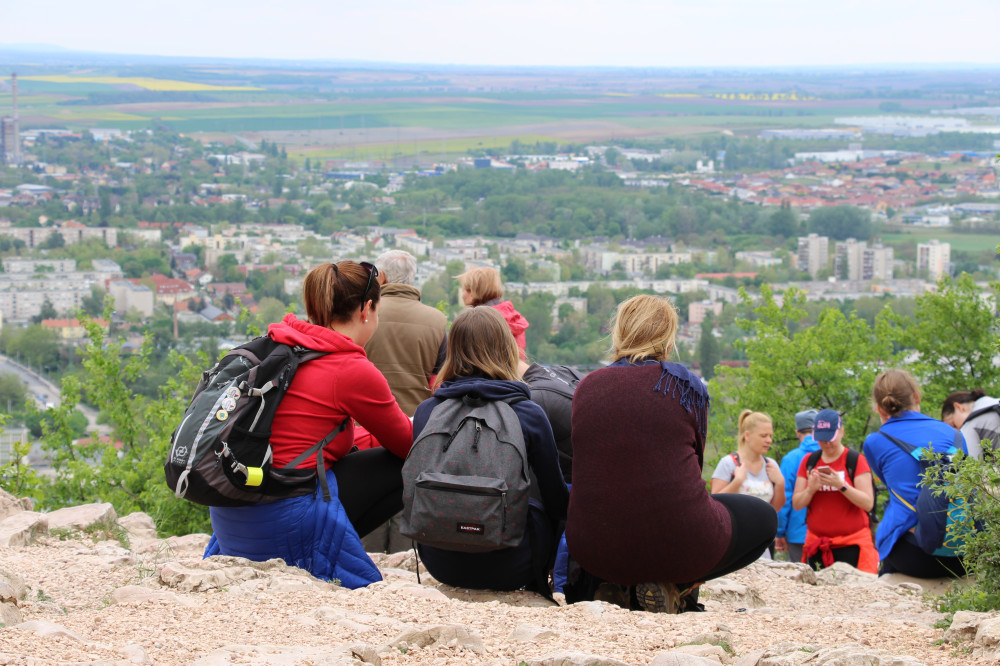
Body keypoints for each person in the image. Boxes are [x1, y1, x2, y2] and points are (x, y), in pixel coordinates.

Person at [203, 261, 413, 588]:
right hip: (279, 518)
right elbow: (407, 444)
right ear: (367, 309)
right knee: (405, 466)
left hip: (229, 514)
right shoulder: (351, 368)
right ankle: (322, 548)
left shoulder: (283, 346)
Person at [565, 295, 776, 613]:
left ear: (620, 331)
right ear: (668, 336)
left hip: (596, 550)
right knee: (763, 517)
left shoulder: (588, 386)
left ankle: (618, 586)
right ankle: (679, 586)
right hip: (682, 544)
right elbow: (694, 464)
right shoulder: (686, 386)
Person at [411, 306, 568, 593]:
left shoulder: (427, 412)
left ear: (453, 350)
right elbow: (557, 501)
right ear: (506, 349)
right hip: (514, 566)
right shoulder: (528, 414)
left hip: (439, 561)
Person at [361, 250, 448, 555]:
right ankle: (403, 569)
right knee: (405, 500)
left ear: (380, 278)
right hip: (415, 429)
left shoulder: (363, 316)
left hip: (365, 425)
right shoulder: (437, 321)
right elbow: (440, 382)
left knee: (367, 500)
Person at [862, 369, 968, 578]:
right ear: (917, 397)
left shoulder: (874, 442)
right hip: (961, 553)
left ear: (879, 408)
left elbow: (892, 483)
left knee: (894, 514)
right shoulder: (955, 434)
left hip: (912, 555)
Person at [791, 409, 878, 573]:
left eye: (830, 437)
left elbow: (867, 503)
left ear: (841, 432)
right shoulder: (809, 461)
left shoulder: (855, 460)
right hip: (817, 543)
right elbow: (796, 503)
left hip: (852, 544)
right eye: (822, 439)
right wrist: (811, 490)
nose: (827, 443)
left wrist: (842, 486)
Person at [711, 411, 786, 513]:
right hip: (736, 528)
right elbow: (714, 504)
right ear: (747, 435)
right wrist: (737, 482)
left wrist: (780, 483)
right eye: (763, 436)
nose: (769, 440)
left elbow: (775, 509)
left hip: (763, 528)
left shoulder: (771, 465)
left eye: (770, 436)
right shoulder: (728, 463)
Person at [776, 409, 819, 564]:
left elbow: (785, 498)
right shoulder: (829, 454)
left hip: (797, 532)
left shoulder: (790, 459)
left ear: (797, 432)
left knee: (799, 583)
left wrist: (780, 532)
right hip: (827, 532)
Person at [456, 266, 529, 358]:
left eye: (465, 290)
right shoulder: (513, 319)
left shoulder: (478, 323)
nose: (463, 296)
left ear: (473, 293)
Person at [941, 389, 1000, 460]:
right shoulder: (995, 404)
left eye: (954, 425)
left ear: (959, 407)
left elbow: (974, 465)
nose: (957, 431)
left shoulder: (970, 426)